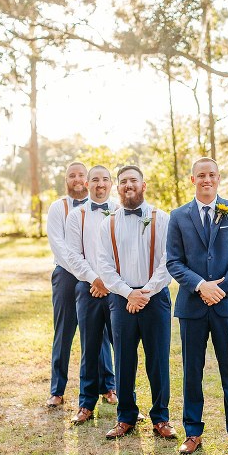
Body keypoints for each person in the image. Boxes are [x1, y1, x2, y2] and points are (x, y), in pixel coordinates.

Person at [166, 157, 228, 455]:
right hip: (193, 304)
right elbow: (173, 262)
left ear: (218, 178)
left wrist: (221, 288)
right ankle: (192, 432)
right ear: (192, 180)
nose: (207, 179)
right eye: (201, 175)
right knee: (192, 370)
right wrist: (201, 286)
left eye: (212, 175)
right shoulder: (177, 216)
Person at [96, 166, 176, 440]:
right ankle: (126, 416)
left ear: (144, 185)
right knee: (124, 359)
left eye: (133, 180)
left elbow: (170, 261)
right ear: (118, 188)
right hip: (121, 300)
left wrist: (146, 292)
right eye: (123, 181)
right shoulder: (108, 222)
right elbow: (103, 265)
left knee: (158, 360)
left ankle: (161, 418)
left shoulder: (162, 218)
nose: (128, 185)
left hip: (155, 299)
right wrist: (128, 293)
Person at [46, 162, 115, 408]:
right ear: (66, 179)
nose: (76, 179)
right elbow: (60, 246)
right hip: (67, 273)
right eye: (71, 175)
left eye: (81, 175)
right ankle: (57, 389)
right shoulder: (59, 208)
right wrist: (86, 274)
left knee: (102, 331)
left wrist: (98, 276)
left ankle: (108, 386)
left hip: (97, 275)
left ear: (88, 180)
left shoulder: (105, 208)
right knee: (64, 330)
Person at [64, 165, 119, 424]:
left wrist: (111, 282)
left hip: (119, 290)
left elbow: (128, 253)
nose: (100, 184)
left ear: (111, 184)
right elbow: (72, 255)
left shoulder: (122, 211)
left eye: (105, 180)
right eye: (95, 180)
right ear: (87, 184)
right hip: (88, 289)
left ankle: (126, 404)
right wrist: (95, 279)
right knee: (90, 347)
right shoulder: (77, 216)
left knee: (123, 348)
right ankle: (86, 404)